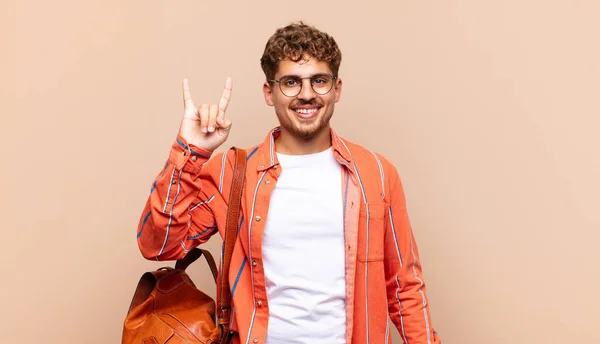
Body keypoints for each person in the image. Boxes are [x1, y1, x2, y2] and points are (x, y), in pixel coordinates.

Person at [136, 21, 441, 344]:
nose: (307, 94)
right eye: (291, 82)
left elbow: (404, 286)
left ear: (336, 88)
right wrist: (190, 151)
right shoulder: (231, 172)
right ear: (270, 92)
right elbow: (158, 245)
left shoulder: (377, 173)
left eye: (319, 81)